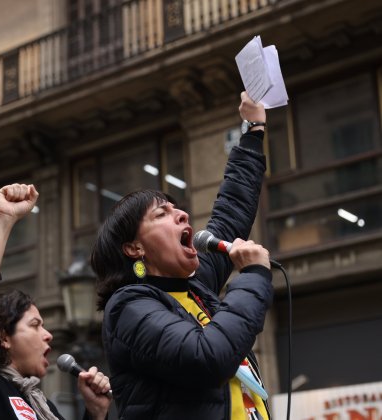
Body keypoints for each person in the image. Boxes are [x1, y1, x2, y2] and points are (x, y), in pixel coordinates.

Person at [90, 92, 274, 420]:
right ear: (134, 248)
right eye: (162, 213)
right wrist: (253, 279)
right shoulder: (128, 309)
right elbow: (207, 357)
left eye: (178, 208)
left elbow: (231, 211)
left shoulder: (196, 287)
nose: (182, 215)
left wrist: (252, 130)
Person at [0, 183, 112, 420]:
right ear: (4, 337)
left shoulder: (44, 407)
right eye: (35, 325)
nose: (48, 334)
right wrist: (3, 219)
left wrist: (95, 413)